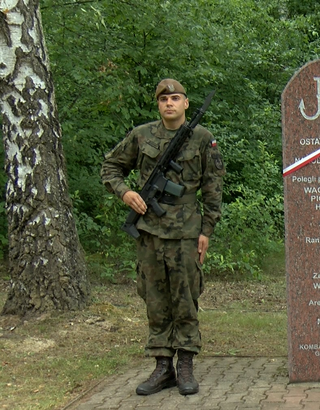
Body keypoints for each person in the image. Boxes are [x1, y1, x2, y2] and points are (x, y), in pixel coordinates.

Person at [101, 79, 225, 396]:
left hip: (186, 232)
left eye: (176, 98)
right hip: (150, 232)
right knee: (155, 301)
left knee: (185, 298)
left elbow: (213, 190)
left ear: (185, 103)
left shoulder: (202, 139)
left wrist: (206, 231)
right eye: (164, 99)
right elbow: (111, 167)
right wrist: (126, 193)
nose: (169, 103)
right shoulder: (142, 135)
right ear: (158, 105)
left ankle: (185, 365)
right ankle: (162, 367)